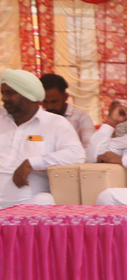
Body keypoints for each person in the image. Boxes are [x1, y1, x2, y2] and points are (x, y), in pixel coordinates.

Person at [0, 69, 84, 207]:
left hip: (28, 206)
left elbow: (76, 154)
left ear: (29, 95)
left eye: (10, 93)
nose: (4, 98)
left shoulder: (55, 123)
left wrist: (32, 163)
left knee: (45, 200)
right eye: (3, 93)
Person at [39, 73, 95, 147]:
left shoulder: (81, 118)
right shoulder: (38, 119)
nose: (49, 107)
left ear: (65, 97)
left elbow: (89, 149)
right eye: (45, 102)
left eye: (54, 102)